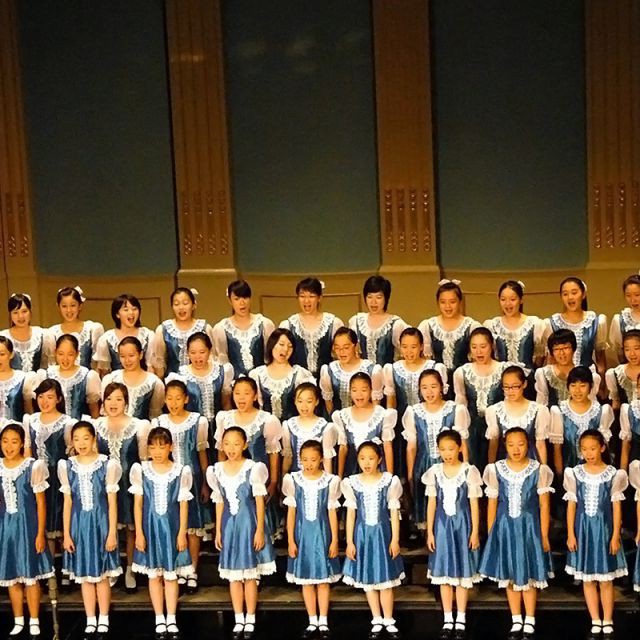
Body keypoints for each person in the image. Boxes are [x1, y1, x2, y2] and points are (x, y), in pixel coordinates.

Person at [479, 427, 554, 640]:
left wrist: (544, 535)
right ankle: (516, 619)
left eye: (520, 444)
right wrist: (492, 532)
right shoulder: (496, 469)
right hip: (504, 528)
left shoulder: (539, 470)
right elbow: (492, 503)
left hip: (529, 528)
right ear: (505, 445)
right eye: (511, 444)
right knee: (510, 573)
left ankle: (530, 618)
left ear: (528, 444)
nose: (516, 449)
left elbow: (544, 505)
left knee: (528, 573)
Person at [207, 427, 276, 640]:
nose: (231, 448)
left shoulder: (253, 469)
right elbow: (219, 502)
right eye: (227, 443)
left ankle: (251, 617)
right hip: (229, 527)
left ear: (245, 445)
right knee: (234, 576)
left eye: (236, 444)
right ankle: (238, 617)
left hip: (249, 525)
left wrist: (260, 530)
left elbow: (259, 502)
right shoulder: (217, 470)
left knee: (249, 575)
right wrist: (218, 530)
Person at [59, 421, 121, 640]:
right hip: (79, 526)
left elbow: (112, 502)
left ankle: (104, 617)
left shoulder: (107, 465)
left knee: (101, 575)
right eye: (76, 439)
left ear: (94, 439)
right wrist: (67, 533)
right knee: (85, 576)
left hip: (101, 524)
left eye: (85, 438)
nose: (81, 443)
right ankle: (90, 619)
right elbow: (68, 503)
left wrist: (111, 532)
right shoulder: (67, 466)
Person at [130, 427, 193, 640]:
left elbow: (183, 505)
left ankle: (172, 617)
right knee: (154, 575)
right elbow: (138, 505)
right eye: (153, 447)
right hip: (150, 530)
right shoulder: (141, 470)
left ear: (170, 447)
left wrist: (182, 533)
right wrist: (139, 533)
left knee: (171, 575)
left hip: (172, 530)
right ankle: (159, 617)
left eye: (162, 447)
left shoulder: (180, 471)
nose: (157, 452)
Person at [564, 430, 628, 640]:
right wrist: (571, 533)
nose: (589, 453)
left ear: (602, 448)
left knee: (605, 580)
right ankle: (595, 620)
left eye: (593, 448)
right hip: (583, 531)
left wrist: (615, 535)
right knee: (588, 579)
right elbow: (572, 505)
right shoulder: (575, 473)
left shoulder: (613, 474)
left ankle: (607, 620)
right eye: (584, 449)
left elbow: (616, 507)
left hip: (604, 532)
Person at [152, 379, 210, 593]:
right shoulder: (158, 422)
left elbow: (201, 452)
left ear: (186, 399)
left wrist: (205, 482)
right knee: (174, 524)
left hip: (191, 479)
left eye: (178, 398)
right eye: (169, 398)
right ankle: (176, 566)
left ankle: (192, 569)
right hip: (166, 480)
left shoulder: (197, 421)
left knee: (193, 525)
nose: (173, 403)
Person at [342, 441, 404, 640]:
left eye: (370, 458)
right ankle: (376, 618)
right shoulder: (352, 483)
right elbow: (351, 515)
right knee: (368, 579)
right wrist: (350, 542)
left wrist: (395, 539)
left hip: (383, 535)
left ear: (379, 459)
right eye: (362, 458)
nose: (366, 462)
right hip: (362, 536)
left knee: (385, 580)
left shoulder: (389, 481)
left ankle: (389, 619)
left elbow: (394, 513)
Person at [423, 430, 482, 640]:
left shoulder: (469, 471)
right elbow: (432, 503)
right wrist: (430, 531)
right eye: (443, 449)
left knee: (462, 574)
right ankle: (448, 618)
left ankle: (461, 617)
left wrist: (475, 531)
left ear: (459, 448)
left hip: (462, 526)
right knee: (444, 574)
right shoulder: (434, 472)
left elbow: (474, 504)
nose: (447, 453)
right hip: (441, 527)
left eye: (451, 448)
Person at [0, 423, 54, 640]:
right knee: (12, 576)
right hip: (5, 528)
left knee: (31, 576)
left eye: (14, 442)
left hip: (27, 527)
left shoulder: (33, 466)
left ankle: (34, 620)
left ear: (22, 443)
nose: (9, 446)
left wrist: (40, 533)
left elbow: (41, 503)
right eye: (5, 441)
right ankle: (18, 620)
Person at [283, 440, 341, 639]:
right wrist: (290, 540)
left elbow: (332, 512)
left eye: (313, 460)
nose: (308, 464)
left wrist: (334, 540)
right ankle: (312, 620)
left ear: (321, 459)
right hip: (302, 536)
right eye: (305, 459)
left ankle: (323, 621)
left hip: (322, 535)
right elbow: (291, 513)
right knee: (306, 581)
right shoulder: (293, 480)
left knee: (323, 581)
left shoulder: (330, 481)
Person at [95, 382, 149, 593]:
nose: (113, 403)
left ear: (126, 402)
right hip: (104, 484)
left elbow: (143, 459)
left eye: (118, 399)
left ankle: (130, 568)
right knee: (108, 525)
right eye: (109, 399)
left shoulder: (138, 426)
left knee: (131, 527)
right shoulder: (96, 425)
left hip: (129, 483)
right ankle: (111, 565)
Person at [214, 377, 283, 539]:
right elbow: (221, 450)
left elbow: (273, 451)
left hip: (257, 479)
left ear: (255, 396)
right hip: (232, 478)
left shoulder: (267, 420)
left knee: (258, 520)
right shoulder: (224, 418)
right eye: (237, 393)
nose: (241, 397)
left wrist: (273, 481)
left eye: (246, 393)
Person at [403, 369, 470, 532]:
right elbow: (411, 447)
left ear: (442, 387)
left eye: (433, 386)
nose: (429, 392)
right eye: (424, 387)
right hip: (423, 465)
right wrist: (411, 474)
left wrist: (465, 467)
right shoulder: (413, 412)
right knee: (427, 508)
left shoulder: (455, 409)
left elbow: (462, 442)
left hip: (449, 465)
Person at [383, 328, 447, 479]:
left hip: (428, 422)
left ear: (421, 346)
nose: (409, 351)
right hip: (402, 425)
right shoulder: (392, 369)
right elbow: (391, 401)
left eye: (413, 346)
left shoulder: (434, 368)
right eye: (404, 347)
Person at [23, 379, 75, 550]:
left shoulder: (67, 423)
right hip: (35, 479)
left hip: (57, 480)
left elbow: (71, 456)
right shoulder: (30, 420)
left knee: (56, 522)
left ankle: (58, 563)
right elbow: (27, 451)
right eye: (41, 396)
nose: (44, 401)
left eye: (50, 397)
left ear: (59, 399)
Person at [453, 327, 509, 470]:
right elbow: (461, 405)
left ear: (491, 346)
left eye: (483, 346)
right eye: (474, 347)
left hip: (499, 427)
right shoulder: (462, 372)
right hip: (473, 428)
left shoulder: (504, 369)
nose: (478, 352)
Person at [167, 331, 233, 444]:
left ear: (209, 351)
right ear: (187, 353)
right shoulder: (180, 376)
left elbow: (226, 403)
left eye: (202, 352)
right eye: (193, 352)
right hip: (193, 432)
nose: (197, 357)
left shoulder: (222, 371)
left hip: (218, 429)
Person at [549, 366, 614, 476]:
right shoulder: (559, 411)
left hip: (595, 473)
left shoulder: (601, 411)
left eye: (583, 386)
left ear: (591, 386)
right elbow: (557, 450)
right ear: (568, 387)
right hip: (569, 472)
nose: (577, 390)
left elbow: (604, 448)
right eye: (573, 385)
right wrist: (560, 477)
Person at [542, 277, 607, 387]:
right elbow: (550, 358)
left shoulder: (595, 321)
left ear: (583, 294)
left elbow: (600, 357)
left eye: (574, 293)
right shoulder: (552, 323)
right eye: (565, 294)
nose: (570, 297)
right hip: (560, 379)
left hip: (586, 380)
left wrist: (602, 385)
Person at [418, 280, 480, 393]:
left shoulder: (471, 326)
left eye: (452, 302)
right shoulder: (428, 326)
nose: (448, 306)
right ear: (437, 302)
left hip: (464, 384)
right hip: (436, 387)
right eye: (443, 302)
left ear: (460, 301)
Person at [333, 372, 396, 478]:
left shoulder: (382, 414)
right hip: (352, 470)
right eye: (354, 390)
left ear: (371, 390)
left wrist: (390, 477)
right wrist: (340, 476)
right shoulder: (343, 415)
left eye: (363, 390)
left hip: (377, 471)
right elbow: (343, 448)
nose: (359, 395)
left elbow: (387, 446)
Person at [280, 277, 343, 377]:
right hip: (298, 380)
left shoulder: (333, 323)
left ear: (319, 298)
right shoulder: (288, 325)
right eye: (302, 296)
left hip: (326, 379)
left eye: (311, 296)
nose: (306, 301)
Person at [485, 366, 550, 464]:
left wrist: (543, 467)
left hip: (530, 462)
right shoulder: (495, 411)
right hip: (504, 463)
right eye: (506, 387)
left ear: (524, 384)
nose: (510, 391)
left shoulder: (538, 410)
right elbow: (493, 445)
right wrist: (491, 467)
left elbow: (540, 444)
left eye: (515, 386)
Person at [212, 280, 275, 378]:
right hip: (235, 383)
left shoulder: (264, 324)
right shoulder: (221, 328)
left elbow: (271, 357)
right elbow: (222, 363)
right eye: (237, 299)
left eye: (245, 297)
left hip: (260, 382)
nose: (242, 303)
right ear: (230, 301)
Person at [249, 328, 315, 421]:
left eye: (290, 346)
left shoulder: (300, 374)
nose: (286, 349)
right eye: (281, 344)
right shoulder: (257, 374)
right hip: (266, 427)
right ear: (272, 345)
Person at [483, 280, 544, 375]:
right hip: (501, 379)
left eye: (512, 299)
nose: (508, 304)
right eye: (503, 299)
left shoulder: (534, 324)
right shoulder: (492, 325)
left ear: (521, 300)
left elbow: (540, 357)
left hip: (527, 379)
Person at [319, 327, 383, 414]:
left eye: (346, 347)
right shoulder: (330, 370)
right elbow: (329, 404)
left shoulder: (371, 370)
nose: (341, 352)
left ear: (355, 346)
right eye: (337, 348)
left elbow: (376, 405)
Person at [153, 287, 214, 379]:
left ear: (194, 305)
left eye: (185, 303)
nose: (181, 307)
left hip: (199, 381)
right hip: (173, 383)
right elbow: (159, 362)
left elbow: (211, 359)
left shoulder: (204, 328)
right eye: (176, 304)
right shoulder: (163, 330)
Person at [349, 275, 408, 366]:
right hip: (362, 374)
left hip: (386, 373)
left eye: (379, 297)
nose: (373, 302)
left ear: (386, 298)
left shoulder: (395, 324)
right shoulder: (356, 321)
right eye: (369, 297)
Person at [38, 334, 101, 419]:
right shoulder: (47, 374)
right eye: (61, 354)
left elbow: (94, 409)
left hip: (79, 426)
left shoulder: (87, 376)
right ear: (55, 352)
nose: (65, 359)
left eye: (70, 354)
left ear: (77, 354)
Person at [101, 337, 165, 421]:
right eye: (122, 356)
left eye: (131, 355)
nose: (127, 360)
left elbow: (155, 414)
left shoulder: (154, 382)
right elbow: (106, 412)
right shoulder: (111, 379)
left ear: (140, 355)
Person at [535, 329, 601, 408]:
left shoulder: (586, 373)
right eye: (556, 349)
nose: (562, 353)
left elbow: (591, 403)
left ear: (573, 348)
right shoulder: (543, 373)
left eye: (566, 348)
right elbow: (541, 404)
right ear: (552, 352)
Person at [93, 294, 156, 376]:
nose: (131, 312)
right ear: (117, 314)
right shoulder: (106, 338)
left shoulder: (148, 335)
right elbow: (104, 372)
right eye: (126, 310)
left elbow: (151, 368)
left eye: (134, 309)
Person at [282, 382, 337, 474]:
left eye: (309, 401)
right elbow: (288, 457)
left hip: (317, 477)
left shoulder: (325, 427)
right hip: (296, 477)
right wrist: (283, 477)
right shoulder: (289, 425)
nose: (304, 406)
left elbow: (327, 459)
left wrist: (329, 479)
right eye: (300, 401)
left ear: (316, 401)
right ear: (295, 401)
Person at [49, 286, 104, 369]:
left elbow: (98, 365)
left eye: (73, 305)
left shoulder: (92, 329)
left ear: (80, 306)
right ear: (58, 307)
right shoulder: (52, 333)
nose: (69, 310)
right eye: (64, 306)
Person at [1, 293, 54, 372]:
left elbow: (49, 366)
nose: (20, 316)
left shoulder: (42, 335)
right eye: (15, 312)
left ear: (30, 312)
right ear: (10, 315)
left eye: (24, 311)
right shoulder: (3, 338)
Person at [0, 336, 37, 421]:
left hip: (17, 427)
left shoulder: (22, 379)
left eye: (2, 354)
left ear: (11, 354)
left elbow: (29, 413)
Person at [605, 329, 640, 410]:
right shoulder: (615, 373)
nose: (632, 354)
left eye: (636, 348)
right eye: (627, 349)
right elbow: (615, 405)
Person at [608, 273, 640, 364]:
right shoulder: (620, 320)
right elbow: (620, 352)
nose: (633, 300)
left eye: (637, 295)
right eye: (628, 295)